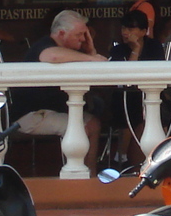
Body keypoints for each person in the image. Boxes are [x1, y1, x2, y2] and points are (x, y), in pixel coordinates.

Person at [8, 10, 106, 156]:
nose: (83, 39)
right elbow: (52, 56)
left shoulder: (70, 51)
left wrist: (90, 51)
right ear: (61, 34)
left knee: (94, 124)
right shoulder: (45, 45)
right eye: (79, 35)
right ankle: (75, 175)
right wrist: (91, 58)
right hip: (31, 115)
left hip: (53, 110)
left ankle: (90, 174)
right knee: (79, 129)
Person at [110, 9, 166, 136]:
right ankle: (122, 155)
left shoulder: (154, 46)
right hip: (125, 98)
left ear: (143, 31)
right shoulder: (118, 50)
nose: (125, 33)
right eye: (123, 28)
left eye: (130, 29)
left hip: (151, 94)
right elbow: (127, 78)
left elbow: (158, 72)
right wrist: (135, 50)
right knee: (133, 112)